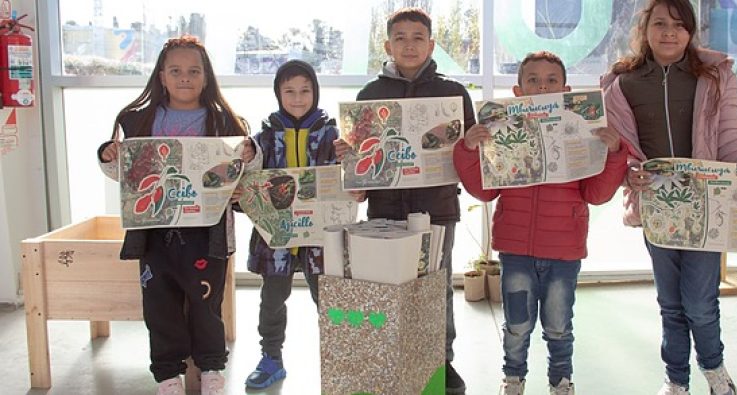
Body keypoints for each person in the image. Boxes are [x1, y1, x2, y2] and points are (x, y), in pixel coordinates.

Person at [600, 1, 737, 394]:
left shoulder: (715, 76)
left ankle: (715, 369)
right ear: (644, 29)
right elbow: (620, 151)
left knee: (700, 304)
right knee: (670, 305)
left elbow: (731, 139)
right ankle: (676, 380)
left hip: (710, 211)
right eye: (660, 24)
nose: (669, 32)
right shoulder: (622, 84)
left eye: (679, 25)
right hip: (657, 210)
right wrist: (628, 176)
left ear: (691, 31)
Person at [453, 51, 629, 395]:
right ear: (519, 91)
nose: (542, 85)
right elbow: (484, 192)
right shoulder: (502, 130)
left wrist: (615, 154)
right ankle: (513, 379)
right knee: (516, 325)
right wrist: (468, 150)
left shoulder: (583, 130)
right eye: (533, 80)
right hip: (516, 249)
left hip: (564, 250)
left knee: (560, 326)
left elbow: (596, 194)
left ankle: (560, 382)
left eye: (550, 80)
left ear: (564, 89)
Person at [96, 35, 259, 395]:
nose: (184, 77)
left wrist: (250, 154)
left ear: (206, 77)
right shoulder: (138, 119)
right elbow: (124, 173)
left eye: (193, 71)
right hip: (155, 231)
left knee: (206, 304)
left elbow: (245, 170)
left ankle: (211, 369)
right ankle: (168, 376)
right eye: (175, 70)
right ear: (161, 76)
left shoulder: (226, 121)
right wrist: (108, 157)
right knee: (159, 305)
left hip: (207, 231)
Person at [333, 7, 476, 394]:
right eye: (400, 37)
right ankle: (391, 359)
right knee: (386, 287)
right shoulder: (369, 96)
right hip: (384, 212)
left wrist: (474, 144)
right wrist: (348, 155)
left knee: (437, 287)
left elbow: (471, 154)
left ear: (431, 45)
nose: (409, 45)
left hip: (438, 209)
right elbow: (359, 161)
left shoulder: (454, 93)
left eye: (417, 37)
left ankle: (440, 362)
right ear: (387, 45)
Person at [243, 59, 342, 389]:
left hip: (320, 237)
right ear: (277, 94)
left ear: (315, 92)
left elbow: (346, 177)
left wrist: (349, 157)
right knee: (271, 300)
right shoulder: (265, 137)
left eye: (305, 90)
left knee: (327, 299)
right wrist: (245, 154)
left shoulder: (332, 134)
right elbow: (251, 174)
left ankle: (343, 356)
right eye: (289, 91)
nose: (298, 98)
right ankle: (271, 358)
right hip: (278, 237)